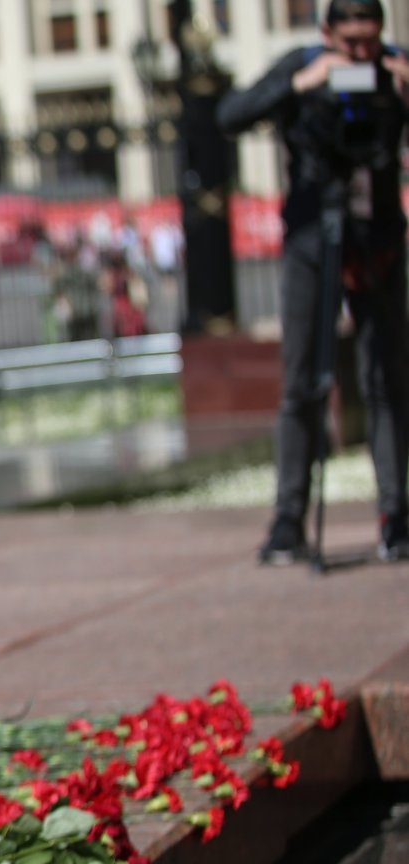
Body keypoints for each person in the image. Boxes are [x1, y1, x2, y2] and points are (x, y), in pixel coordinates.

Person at [219, 0, 409, 563]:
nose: (359, 55)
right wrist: (304, 83)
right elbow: (230, 116)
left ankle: (396, 517)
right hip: (311, 239)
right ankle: (287, 522)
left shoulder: (394, 70)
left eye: (369, 43)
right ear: (326, 34)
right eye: (348, 43)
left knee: (386, 378)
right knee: (301, 382)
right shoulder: (301, 67)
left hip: (378, 240)